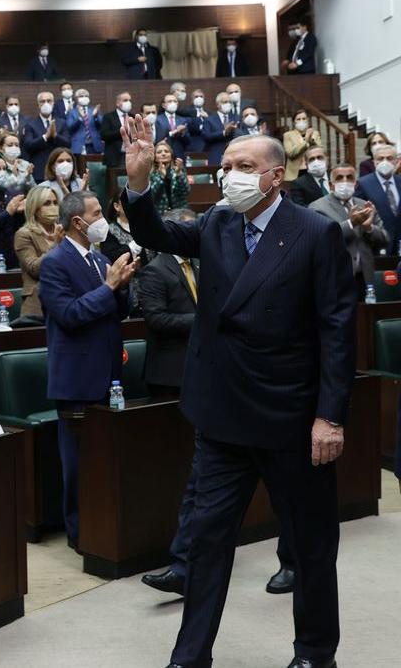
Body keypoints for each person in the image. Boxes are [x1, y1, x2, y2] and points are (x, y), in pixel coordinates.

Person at [121, 115, 354, 668]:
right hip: (222, 417)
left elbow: (338, 331)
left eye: (244, 168)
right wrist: (136, 184)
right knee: (205, 544)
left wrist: (331, 417)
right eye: (225, 167)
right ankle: (190, 655)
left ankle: (317, 654)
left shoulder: (315, 232)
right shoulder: (217, 223)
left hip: (292, 420)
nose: (230, 177)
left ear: (275, 175)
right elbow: (155, 233)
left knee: (311, 546)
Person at [39, 190, 135, 548]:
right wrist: (109, 288)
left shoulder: (97, 260)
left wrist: (121, 288)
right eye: (97, 213)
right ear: (78, 222)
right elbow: (69, 315)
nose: (102, 219)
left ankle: (106, 528)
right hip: (77, 380)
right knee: (78, 465)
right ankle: (80, 534)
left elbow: (117, 310)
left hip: (109, 375)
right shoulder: (55, 262)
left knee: (106, 459)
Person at [138, 208, 198, 397]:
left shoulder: (199, 262)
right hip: (170, 373)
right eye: (190, 229)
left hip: (199, 365)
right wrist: (199, 319)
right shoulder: (155, 270)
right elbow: (156, 319)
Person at [310, 162, 388, 299]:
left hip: (365, 279)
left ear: (356, 183)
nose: (345, 182)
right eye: (339, 178)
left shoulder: (365, 205)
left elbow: (385, 239)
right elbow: (322, 239)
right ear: (331, 184)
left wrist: (368, 227)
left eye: (349, 177)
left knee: (367, 318)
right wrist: (351, 223)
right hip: (336, 279)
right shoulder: (317, 207)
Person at [13, 185, 61, 321]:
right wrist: (56, 245)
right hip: (37, 306)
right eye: (47, 203)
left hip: (65, 300)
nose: (53, 206)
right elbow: (34, 269)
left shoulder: (64, 231)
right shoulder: (24, 234)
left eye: (55, 203)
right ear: (35, 207)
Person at [354, 143, 400, 253]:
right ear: (374, 162)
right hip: (377, 244)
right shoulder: (363, 183)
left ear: (396, 161)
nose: (385, 161)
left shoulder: (399, 181)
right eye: (381, 158)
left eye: (389, 158)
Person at [21, 91, 69, 183]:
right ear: (38, 104)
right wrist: (45, 137)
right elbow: (28, 145)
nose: (46, 104)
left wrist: (55, 136)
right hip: (39, 170)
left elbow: (68, 143)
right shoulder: (30, 124)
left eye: (49, 101)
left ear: (53, 103)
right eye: (42, 101)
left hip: (59, 169)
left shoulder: (61, 122)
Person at [148, 142, 191, 214]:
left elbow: (186, 192)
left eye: (166, 151)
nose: (163, 154)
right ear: (155, 157)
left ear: (171, 155)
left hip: (179, 213)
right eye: (159, 152)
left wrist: (179, 174)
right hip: (159, 214)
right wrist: (161, 177)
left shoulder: (178, 169)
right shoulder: (150, 173)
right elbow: (151, 195)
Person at [283, 109, 323, 181]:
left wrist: (310, 140)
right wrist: (305, 141)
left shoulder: (314, 133)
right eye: (298, 119)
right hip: (295, 173)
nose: (301, 121)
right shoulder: (288, 135)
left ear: (307, 120)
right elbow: (290, 153)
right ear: (294, 121)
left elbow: (319, 150)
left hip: (312, 170)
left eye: (304, 118)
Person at [98, 92, 133, 169]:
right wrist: (122, 131)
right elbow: (104, 135)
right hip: (115, 157)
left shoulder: (132, 117)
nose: (128, 102)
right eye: (125, 100)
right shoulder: (109, 117)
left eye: (129, 100)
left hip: (131, 156)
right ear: (117, 103)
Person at [203, 91, 238, 165]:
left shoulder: (235, 118)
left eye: (229, 102)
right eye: (225, 102)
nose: (228, 104)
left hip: (234, 156)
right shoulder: (209, 119)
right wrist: (224, 132)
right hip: (216, 156)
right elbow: (207, 136)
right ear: (218, 104)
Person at [65, 89, 102, 155]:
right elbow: (69, 128)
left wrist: (96, 117)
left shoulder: (94, 110)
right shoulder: (71, 112)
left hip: (94, 145)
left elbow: (101, 125)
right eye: (81, 96)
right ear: (76, 99)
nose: (84, 98)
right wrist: (80, 118)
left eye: (86, 96)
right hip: (78, 146)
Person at [156, 92, 191, 160]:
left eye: (175, 101)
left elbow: (188, 141)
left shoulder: (183, 120)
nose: (173, 103)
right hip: (163, 154)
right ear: (163, 105)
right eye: (170, 101)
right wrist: (173, 132)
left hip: (179, 155)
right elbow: (157, 138)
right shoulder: (157, 119)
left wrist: (182, 133)